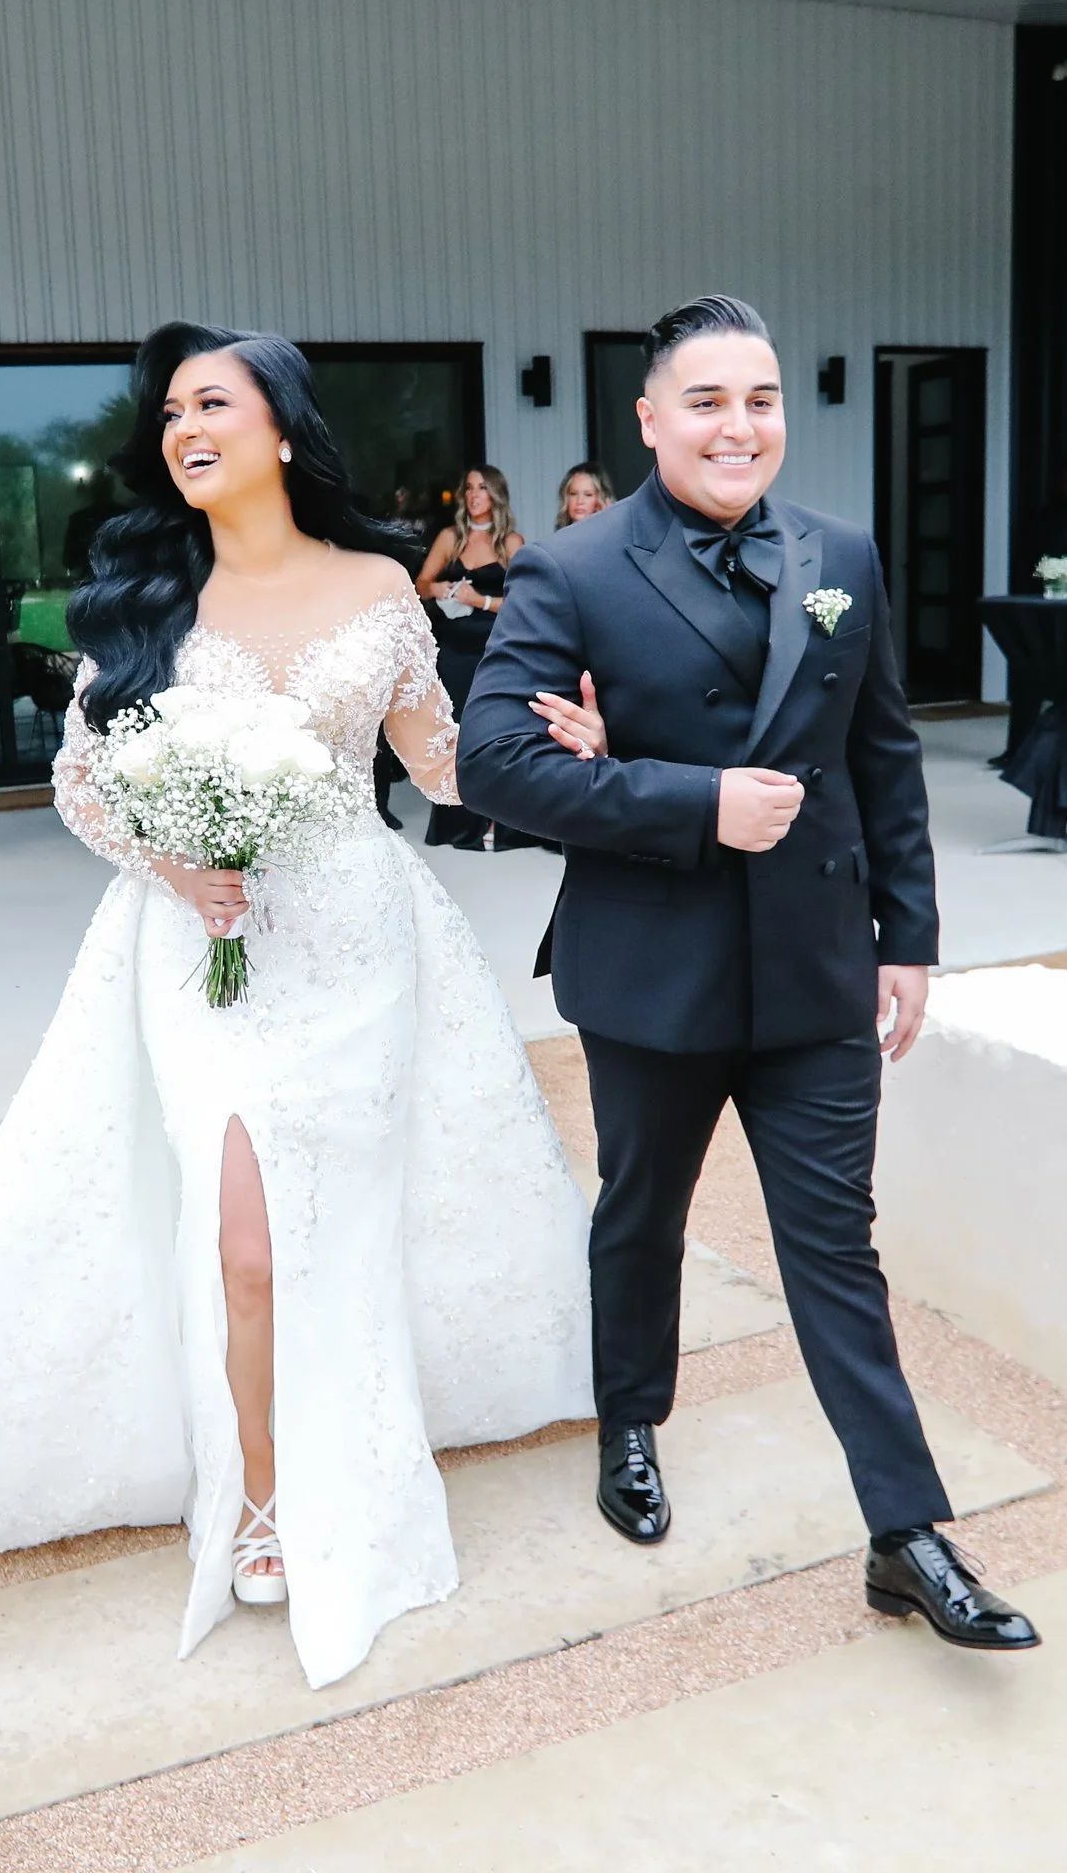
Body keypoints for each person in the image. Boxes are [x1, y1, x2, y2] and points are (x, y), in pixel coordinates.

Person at [0, 325, 598, 1692]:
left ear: (282, 430)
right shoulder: (149, 593)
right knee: (244, 1240)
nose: (184, 428)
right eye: (173, 413)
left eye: (213, 404)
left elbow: (436, 764)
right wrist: (180, 866)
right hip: (203, 946)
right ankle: (257, 1491)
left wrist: (549, 745)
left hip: (358, 943)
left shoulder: (379, 584)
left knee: (342, 1220)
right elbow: (83, 782)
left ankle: (352, 1443)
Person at [457, 295, 1040, 1652]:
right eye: (707, 400)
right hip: (649, 968)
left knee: (834, 1245)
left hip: (814, 966)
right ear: (650, 418)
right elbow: (492, 763)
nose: (739, 425)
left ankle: (906, 1533)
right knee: (641, 1214)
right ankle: (629, 1419)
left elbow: (880, 754)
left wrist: (907, 935)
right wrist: (689, 799)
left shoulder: (841, 553)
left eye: (760, 399)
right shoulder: (574, 569)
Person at [416, 466, 537, 849]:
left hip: (495, 649)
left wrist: (479, 600)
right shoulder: (450, 537)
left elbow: (525, 601)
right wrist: (439, 588)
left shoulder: (511, 542)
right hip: (453, 649)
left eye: (482, 488)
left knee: (494, 730)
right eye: (468, 488)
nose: (473, 494)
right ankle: (457, 825)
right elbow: (420, 584)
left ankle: (500, 821)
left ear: (496, 494)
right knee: (455, 731)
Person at [555, 463, 615, 529]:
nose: (579, 501)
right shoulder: (560, 534)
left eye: (588, 495)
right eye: (573, 494)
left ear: (601, 498)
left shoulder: (613, 532)